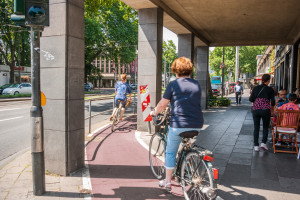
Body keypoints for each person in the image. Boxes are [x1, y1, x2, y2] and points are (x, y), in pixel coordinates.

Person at [150, 57, 204, 191]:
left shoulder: (173, 84)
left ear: (176, 70)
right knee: (187, 143)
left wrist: (154, 113)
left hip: (179, 124)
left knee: (170, 152)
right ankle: (188, 162)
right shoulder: (196, 84)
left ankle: (167, 181)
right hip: (197, 123)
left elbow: (163, 104)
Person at [249, 74, 275, 152]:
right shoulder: (270, 89)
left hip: (256, 109)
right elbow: (273, 102)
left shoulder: (255, 88)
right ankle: (263, 143)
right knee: (265, 127)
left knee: (256, 127)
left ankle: (256, 145)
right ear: (268, 80)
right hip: (265, 110)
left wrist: (257, 102)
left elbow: (251, 99)